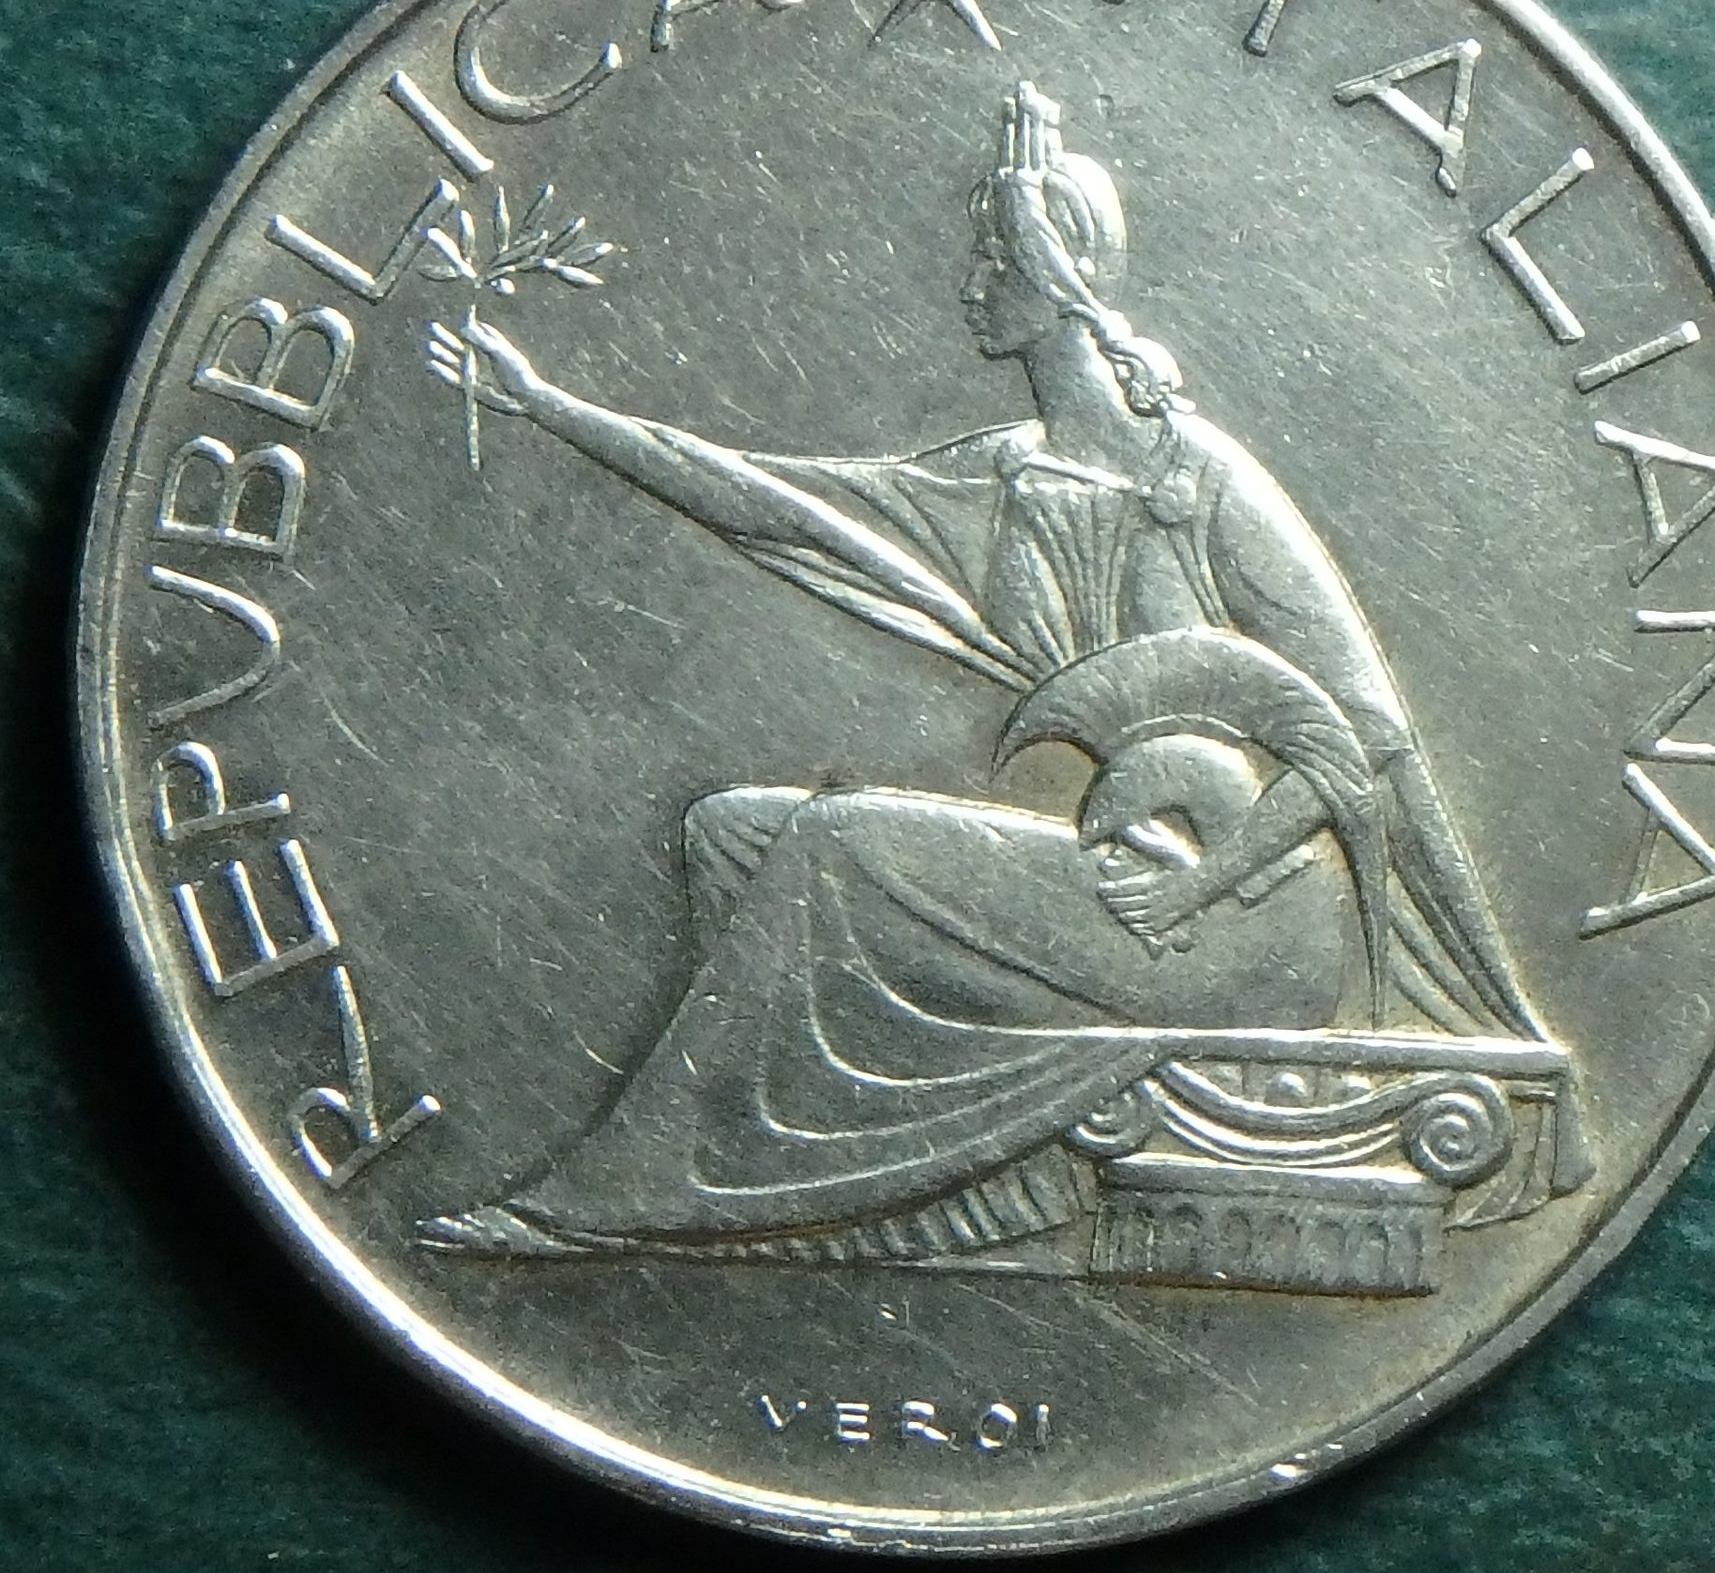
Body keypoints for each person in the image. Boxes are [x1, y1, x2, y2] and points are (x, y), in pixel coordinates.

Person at [417, 83, 1557, 1262]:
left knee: (837, 840)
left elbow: (1364, 736)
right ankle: (821, 1194)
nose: (968, 285)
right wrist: (546, 407)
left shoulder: (1203, 482)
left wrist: (1203, 886)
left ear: (1054, 279)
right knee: (734, 833)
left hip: (1242, 915)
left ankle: (629, 1198)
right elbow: (772, 504)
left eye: (992, 261)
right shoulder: (1002, 474)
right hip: (1120, 871)